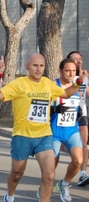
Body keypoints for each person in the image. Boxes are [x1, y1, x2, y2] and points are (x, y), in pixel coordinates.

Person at [0, 53, 87, 202]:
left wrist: (78, 81)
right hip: (22, 135)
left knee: (49, 176)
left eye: (41, 66)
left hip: (44, 136)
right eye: (35, 65)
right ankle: (9, 196)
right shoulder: (19, 83)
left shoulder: (48, 84)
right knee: (17, 173)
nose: (38, 69)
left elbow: (66, 94)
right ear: (27, 67)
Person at [39, 58, 83, 202]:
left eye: (73, 71)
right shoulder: (52, 85)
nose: (71, 74)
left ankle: (64, 185)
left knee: (78, 161)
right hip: (54, 132)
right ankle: (44, 188)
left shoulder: (76, 85)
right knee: (51, 168)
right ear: (60, 70)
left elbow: (79, 103)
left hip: (71, 130)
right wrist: (54, 109)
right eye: (67, 71)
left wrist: (79, 112)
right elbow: (40, 107)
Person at [66, 51, 89, 187]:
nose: (79, 61)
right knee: (65, 146)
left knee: (84, 144)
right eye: (75, 59)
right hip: (67, 113)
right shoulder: (66, 77)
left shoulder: (85, 77)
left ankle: (82, 174)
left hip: (82, 112)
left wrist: (85, 79)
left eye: (80, 59)